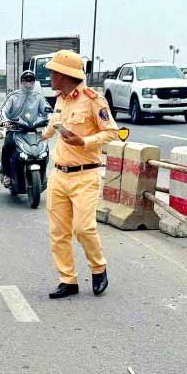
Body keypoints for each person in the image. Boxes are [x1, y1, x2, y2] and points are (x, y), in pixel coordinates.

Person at [40, 50, 119, 299]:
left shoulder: (93, 100)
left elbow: (111, 132)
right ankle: (68, 280)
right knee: (58, 233)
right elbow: (54, 123)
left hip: (85, 175)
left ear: (64, 75)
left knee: (83, 228)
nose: (50, 77)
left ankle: (98, 268)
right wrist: (41, 134)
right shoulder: (60, 99)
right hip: (59, 175)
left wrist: (84, 141)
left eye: (53, 72)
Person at [0, 70, 49, 173]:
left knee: (44, 149)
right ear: (21, 81)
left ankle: (43, 174)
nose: (28, 83)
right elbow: (2, 110)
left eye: (31, 80)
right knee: (7, 147)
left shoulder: (39, 97)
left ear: (34, 82)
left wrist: (51, 116)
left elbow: (47, 110)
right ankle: (6, 173)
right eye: (26, 80)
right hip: (15, 130)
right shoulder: (13, 96)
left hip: (33, 130)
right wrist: (6, 120)